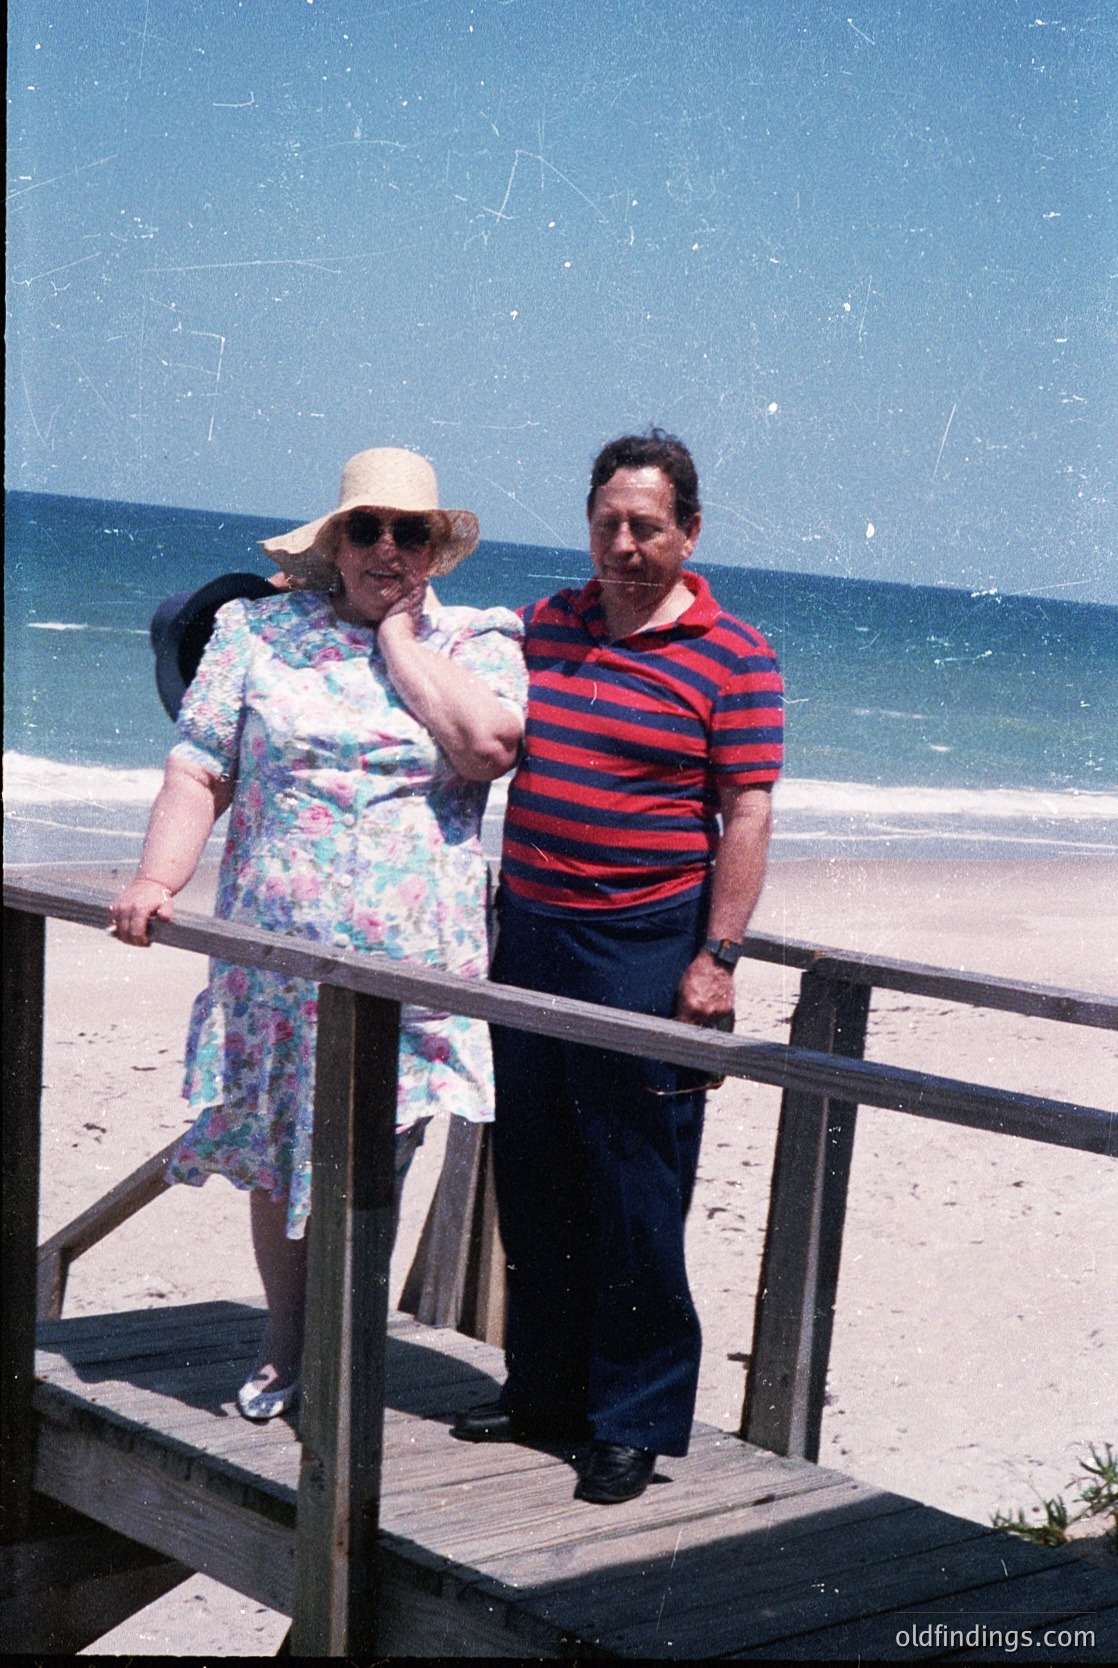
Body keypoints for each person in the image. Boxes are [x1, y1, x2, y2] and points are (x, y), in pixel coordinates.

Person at [110, 448, 526, 1422]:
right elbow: (198, 767)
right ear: (334, 541)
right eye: (367, 528)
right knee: (275, 1155)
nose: (388, 546)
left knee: (369, 1167)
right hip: (272, 972)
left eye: (410, 531)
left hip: (410, 983)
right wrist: (155, 879)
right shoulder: (254, 632)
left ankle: (341, 1361)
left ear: (434, 548)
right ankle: (287, 1339)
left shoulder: (478, 636)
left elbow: (490, 746)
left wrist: (401, 646)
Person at [452, 430, 783, 1503]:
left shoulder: (735, 654)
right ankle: (541, 1392)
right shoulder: (546, 625)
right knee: (536, 1172)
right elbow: (433, 664)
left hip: (646, 947)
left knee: (637, 1188)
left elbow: (745, 809)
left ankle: (631, 1420)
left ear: (689, 530)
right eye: (608, 523)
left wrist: (716, 957)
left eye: (647, 525)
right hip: (531, 936)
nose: (624, 544)